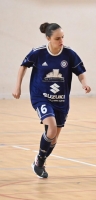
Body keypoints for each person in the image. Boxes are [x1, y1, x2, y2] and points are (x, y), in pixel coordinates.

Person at [12, 22, 91, 178]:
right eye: (57, 38)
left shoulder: (69, 54)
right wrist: (18, 86)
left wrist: (84, 84)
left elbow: (80, 72)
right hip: (40, 96)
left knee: (53, 140)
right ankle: (40, 162)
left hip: (61, 100)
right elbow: (23, 66)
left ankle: (38, 161)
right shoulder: (38, 53)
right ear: (48, 38)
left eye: (62, 37)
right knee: (52, 128)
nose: (61, 41)